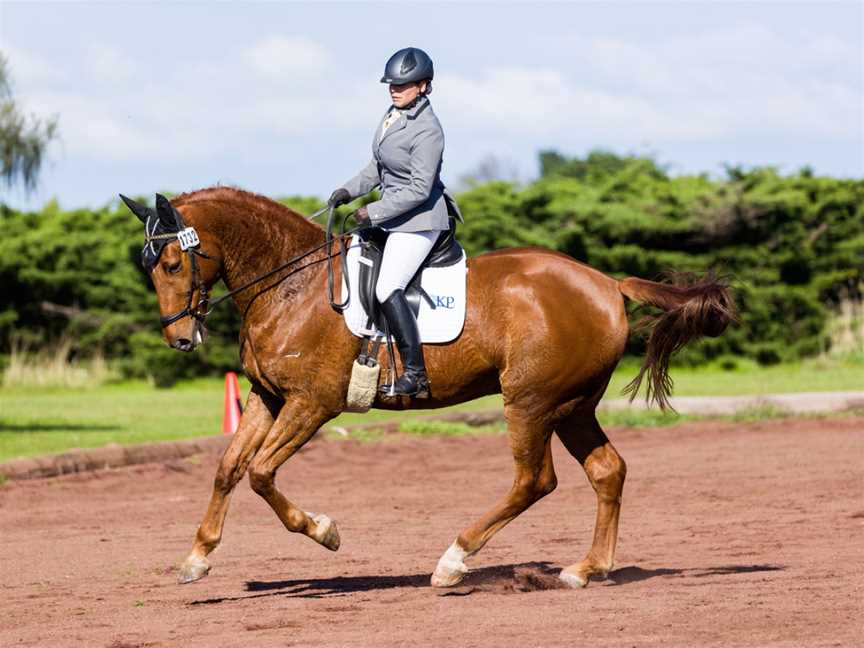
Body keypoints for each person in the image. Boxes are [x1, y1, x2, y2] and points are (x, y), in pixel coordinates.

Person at [329, 47, 461, 398]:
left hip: (419, 222)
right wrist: (347, 191)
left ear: (423, 86)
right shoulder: (392, 114)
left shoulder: (428, 130)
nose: (394, 89)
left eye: (402, 85)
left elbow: (419, 189)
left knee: (388, 286)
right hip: (393, 216)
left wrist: (372, 212)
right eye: (391, 84)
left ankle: (416, 373)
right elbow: (377, 168)